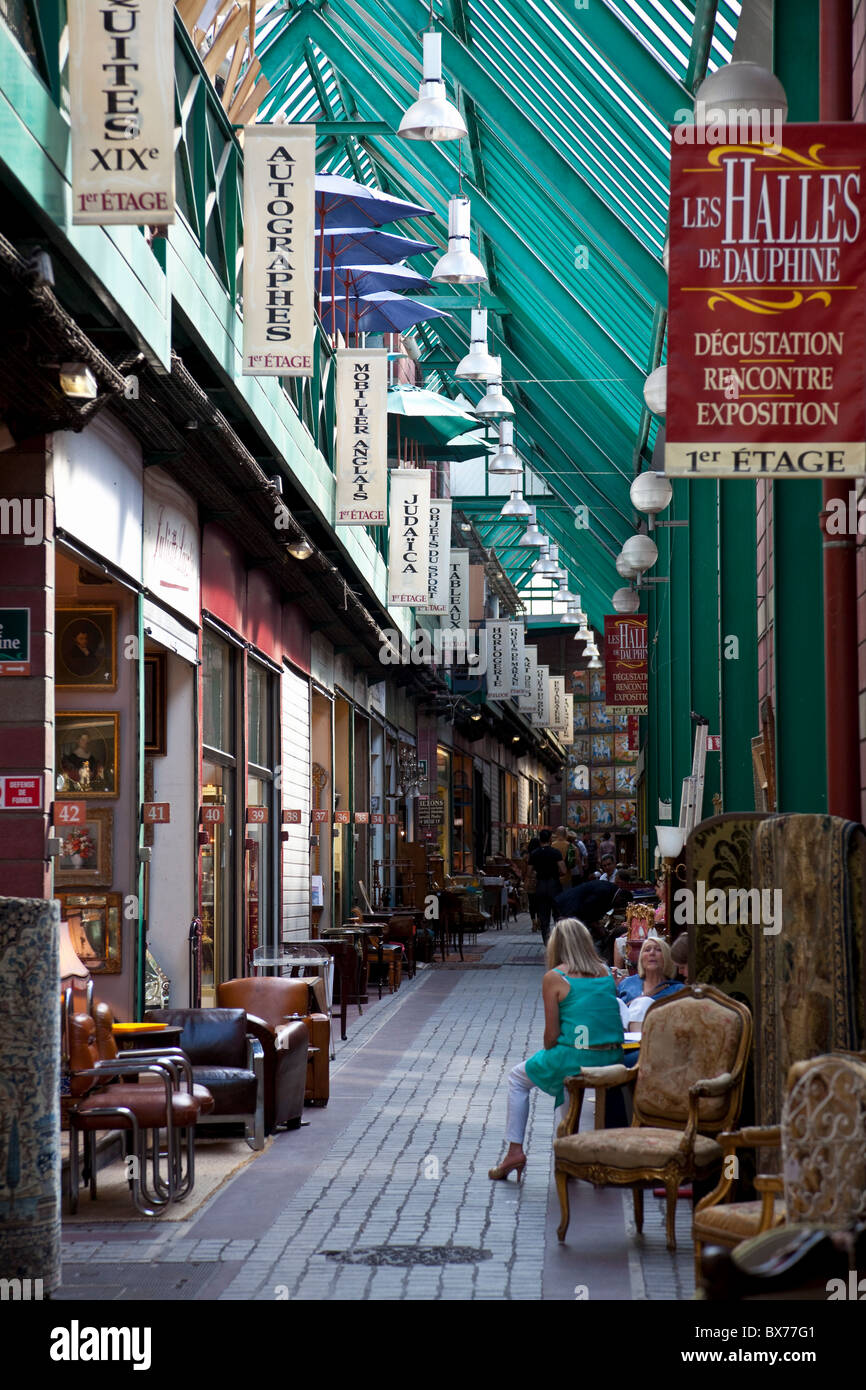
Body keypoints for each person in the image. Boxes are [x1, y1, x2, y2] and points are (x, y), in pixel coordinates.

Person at [488, 918, 624, 1182]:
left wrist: (550, 1053)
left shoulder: (555, 977)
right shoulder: (606, 971)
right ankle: (568, 1152)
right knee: (565, 1071)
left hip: (576, 1056)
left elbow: (551, 1035)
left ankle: (515, 1151)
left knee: (519, 1078)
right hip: (612, 1056)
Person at [616, 935, 683, 1032]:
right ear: (641, 959)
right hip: (622, 1036)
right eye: (647, 950)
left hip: (657, 1036)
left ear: (667, 958)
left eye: (658, 950)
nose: (652, 953)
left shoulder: (678, 990)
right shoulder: (627, 983)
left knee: (644, 1003)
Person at [528, 829, 563, 945]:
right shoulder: (556, 853)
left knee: (543, 915)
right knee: (557, 914)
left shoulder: (534, 854)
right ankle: (558, 941)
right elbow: (563, 869)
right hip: (554, 885)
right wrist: (557, 873)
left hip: (541, 885)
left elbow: (529, 872)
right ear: (550, 839)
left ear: (540, 839)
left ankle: (546, 942)